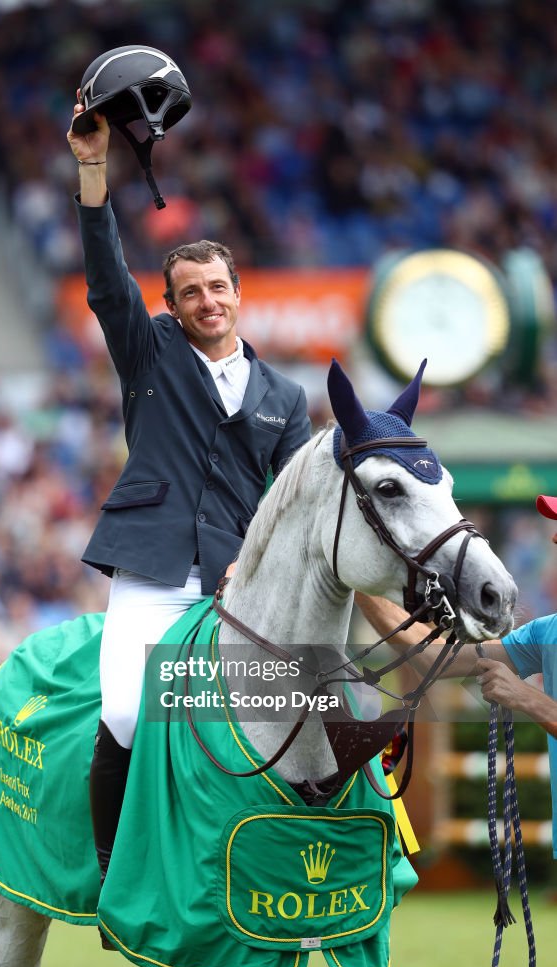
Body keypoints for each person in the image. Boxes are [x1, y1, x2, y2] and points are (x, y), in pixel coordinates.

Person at [66, 104, 311, 889]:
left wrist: (253, 564)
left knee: (291, 715)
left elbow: (292, 503)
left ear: (238, 293)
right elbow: (107, 281)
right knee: (131, 715)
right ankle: (113, 875)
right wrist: (93, 170)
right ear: (170, 306)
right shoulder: (148, 352)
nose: (207, 300)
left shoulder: (285, 393)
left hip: (234, 583)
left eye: (217, 287)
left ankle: (254, 862)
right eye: (190, 293)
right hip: (151, 571)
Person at [355, 492, 557, 858]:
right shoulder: (548, 632)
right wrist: (359, 583)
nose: (554, 538)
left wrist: (528, 699)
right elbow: (436, 659)